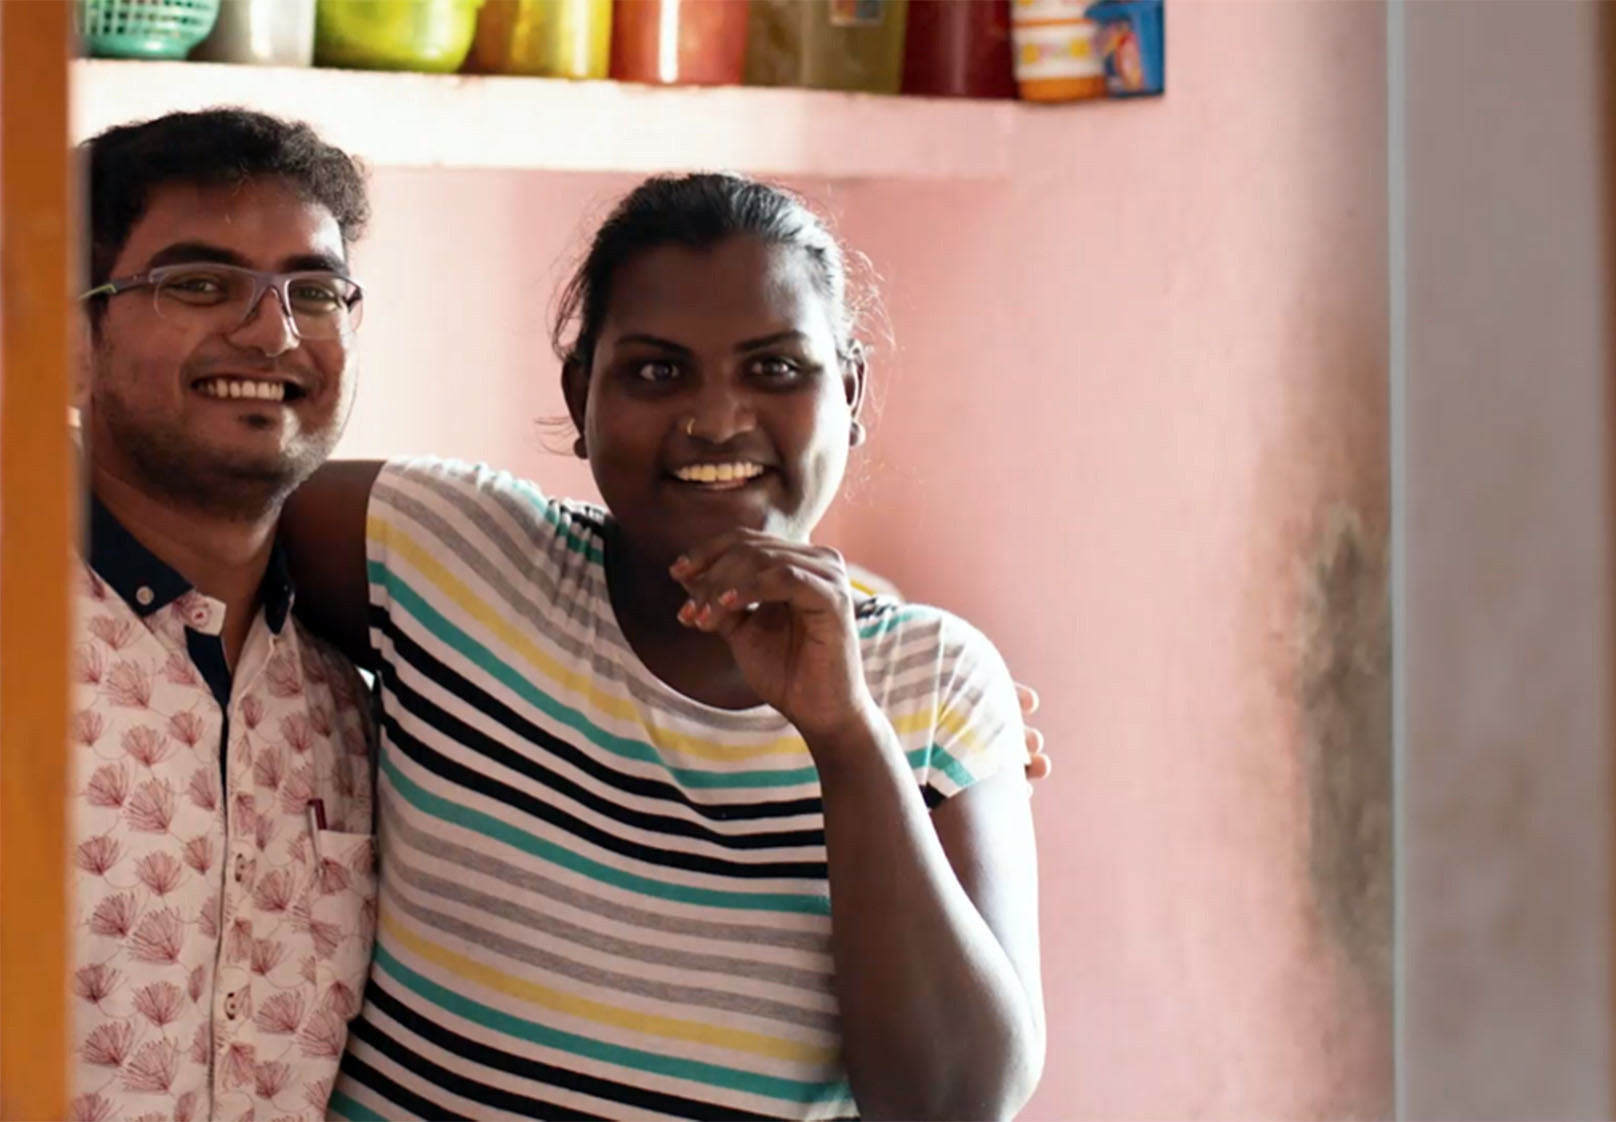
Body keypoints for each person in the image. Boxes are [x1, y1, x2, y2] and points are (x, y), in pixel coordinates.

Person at [278, 174, 1046, 1120]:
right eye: (655, 372)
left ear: (847, 392)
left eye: (776, 368)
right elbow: (185, 501)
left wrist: (849, 734)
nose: (716, 420)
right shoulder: (451, 555)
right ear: (580, 395)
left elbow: (954, 1103)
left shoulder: (931, 683)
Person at [67, 110, 378, 1121]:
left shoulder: (346, 703)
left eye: (314, 292)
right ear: (71, 340)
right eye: (200, 284)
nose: (272, 332)